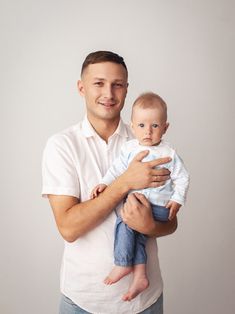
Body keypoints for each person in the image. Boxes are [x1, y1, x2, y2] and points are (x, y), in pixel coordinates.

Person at [42, 51, 177, 314]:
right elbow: (68, 228)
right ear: (81, 88)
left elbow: (170, 219)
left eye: (117, 84)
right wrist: (124, 183)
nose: (109, 93)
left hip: (145, 302)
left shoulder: (150, 142)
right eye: (99, 83)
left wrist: (150, 225)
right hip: (82, 301)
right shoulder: (62, 146)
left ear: (127, 90)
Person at [91, 92, 189, 301]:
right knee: (137, 238)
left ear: (165, 127)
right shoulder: (129, 148)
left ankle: (122, 263)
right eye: (142, 126)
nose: (148, 132)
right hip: (139, 205)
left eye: (155, 126)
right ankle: (140, 276)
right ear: (133, 126)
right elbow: (117, 170)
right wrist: (104, 183)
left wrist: (177, 199)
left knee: (125, 222)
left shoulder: (169, 153)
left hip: (159, 208)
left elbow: (182, 177)